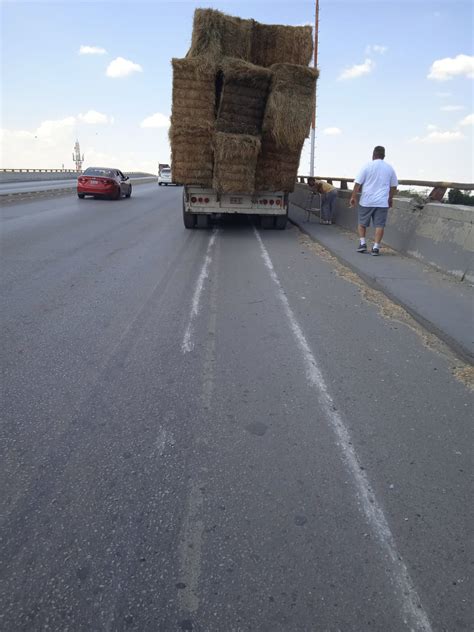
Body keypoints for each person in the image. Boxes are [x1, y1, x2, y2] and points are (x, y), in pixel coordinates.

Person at [349, 146, 398, 256]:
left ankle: (362, 244)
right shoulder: (389, 168)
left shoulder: (367, 166)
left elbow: (357, 183)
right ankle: (375, 248)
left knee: (362, 223)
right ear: (384, 156)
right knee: (379, 225)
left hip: (366, 200)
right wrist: (390, 198)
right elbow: (394, 186)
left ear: (373, 155)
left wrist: (353, 197)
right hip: (382, 202)